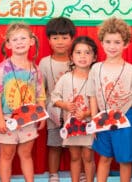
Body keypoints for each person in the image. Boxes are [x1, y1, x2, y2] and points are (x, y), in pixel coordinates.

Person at [0, 22, 46, 182]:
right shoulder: (2, 69)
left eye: (23, 38)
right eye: (15, 39)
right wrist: (0, 119)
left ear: (31, 41)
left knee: (26, 154)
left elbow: (40, 94)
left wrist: (41, 114)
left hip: (29, 120)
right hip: (7, 120)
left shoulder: (35, 70)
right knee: (6, 155)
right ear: (8, 44)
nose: (19, 42)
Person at [87, 17, 132, 182]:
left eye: (117, 42)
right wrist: (94, 121)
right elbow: (92, 95)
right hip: (102, 118)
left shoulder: (131, 70)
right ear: (101, 42)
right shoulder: (96, 68)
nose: (112, 46)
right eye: (108, 41)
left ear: (126, 44)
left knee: (125, 161)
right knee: (104, 158)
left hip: (125, 119)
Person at [51, 36, 97, 182]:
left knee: (88, 157)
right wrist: (64, 105)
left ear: (94, 57)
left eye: (87, 52)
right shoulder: (66, 78)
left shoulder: (96, 79)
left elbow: (101, 104)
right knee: (75, 156)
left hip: (89, 126)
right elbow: (54, 97)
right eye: (78, 52)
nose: (82, 56)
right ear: (71, 57)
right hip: (71, 127)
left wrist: (87, 114)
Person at [38, 17, 76, 182]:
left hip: (75, 111)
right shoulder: (45, 63)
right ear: (49, 40)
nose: (60, 42)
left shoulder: (78, 59)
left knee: (77, 145)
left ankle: (80, 172)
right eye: (55, 38)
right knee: (54, 145)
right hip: (53, 112)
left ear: (72, 39)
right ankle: (53, 174)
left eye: (64, 37)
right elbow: (40, 90)